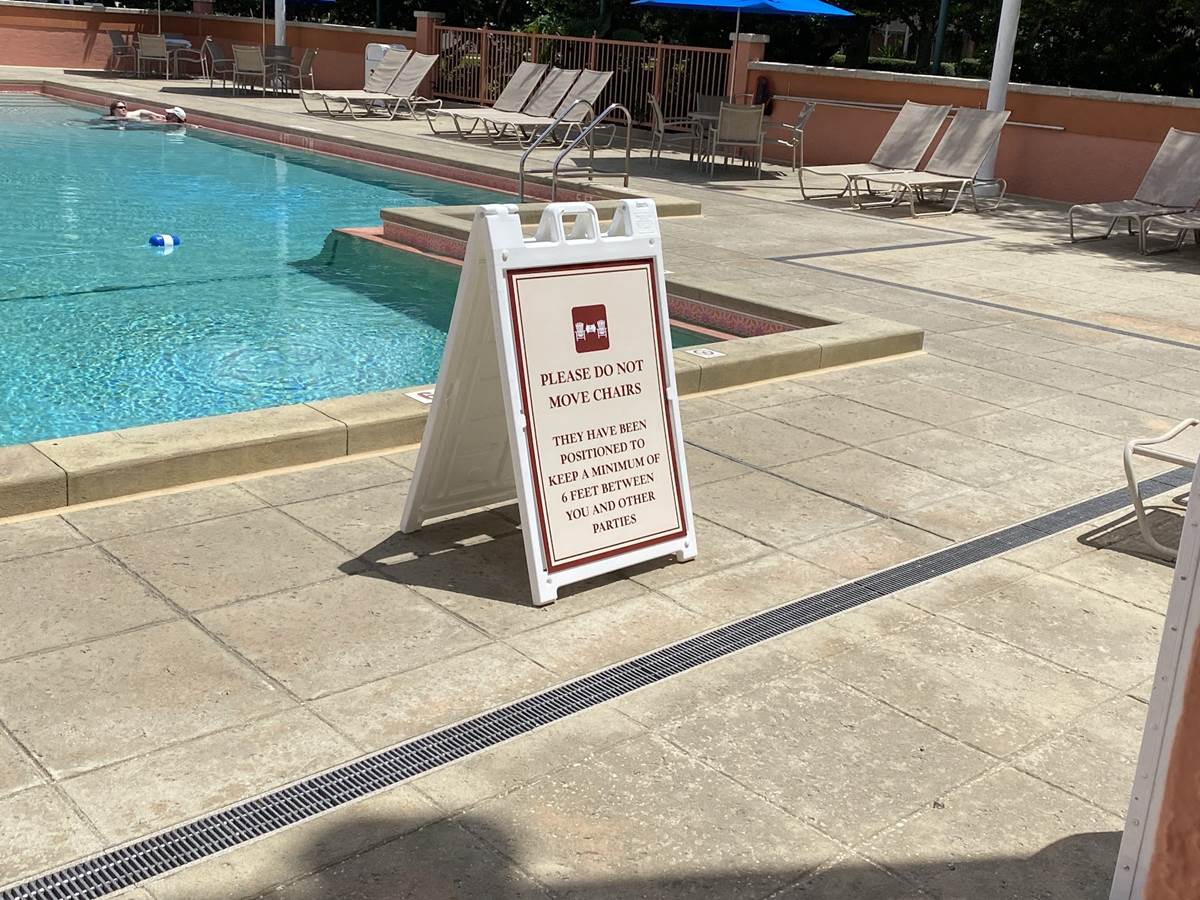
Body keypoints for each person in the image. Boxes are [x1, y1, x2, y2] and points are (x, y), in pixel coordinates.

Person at [106, 101, 187, 123]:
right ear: (113, 109)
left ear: (175, 117)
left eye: (124, 107)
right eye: (120, 107)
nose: (123, 109)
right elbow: (141, 112)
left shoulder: (173, 124)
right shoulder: (110, 118)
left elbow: (141, 112)